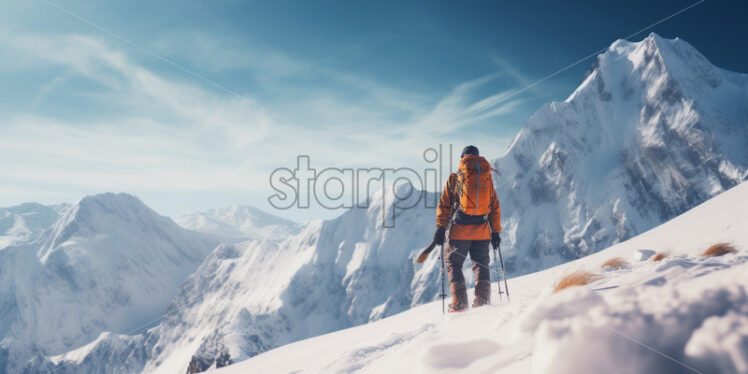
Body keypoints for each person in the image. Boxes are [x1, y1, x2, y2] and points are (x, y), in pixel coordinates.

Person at [433, 145, 501, 312]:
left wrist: (440, 228)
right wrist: (496, 232)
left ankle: (459, 302)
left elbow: (445, 205)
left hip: (460, 231)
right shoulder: (487, 179)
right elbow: (494, 207)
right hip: (483, 231)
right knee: (481, 264)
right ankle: (482, 300)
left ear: (462, 159)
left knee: (453, 263)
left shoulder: (455, 178)